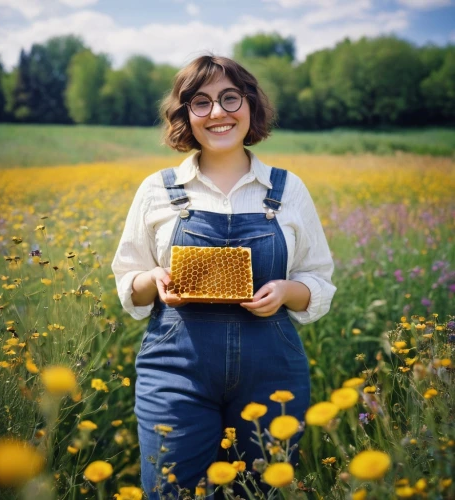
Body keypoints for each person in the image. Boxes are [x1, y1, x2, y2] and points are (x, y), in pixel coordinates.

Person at [112, 54, 336, 497]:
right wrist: (154, 280)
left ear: (250, 104)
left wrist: (288, 291)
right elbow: (128, 278)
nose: (218, 112)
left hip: (272, 370)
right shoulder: (158, 189)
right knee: (171, 491)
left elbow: (318, 280)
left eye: (230, 97)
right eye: (201, 102)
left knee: (260, 492)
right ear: (186, 115)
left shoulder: (287, 189)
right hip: (176, 371)